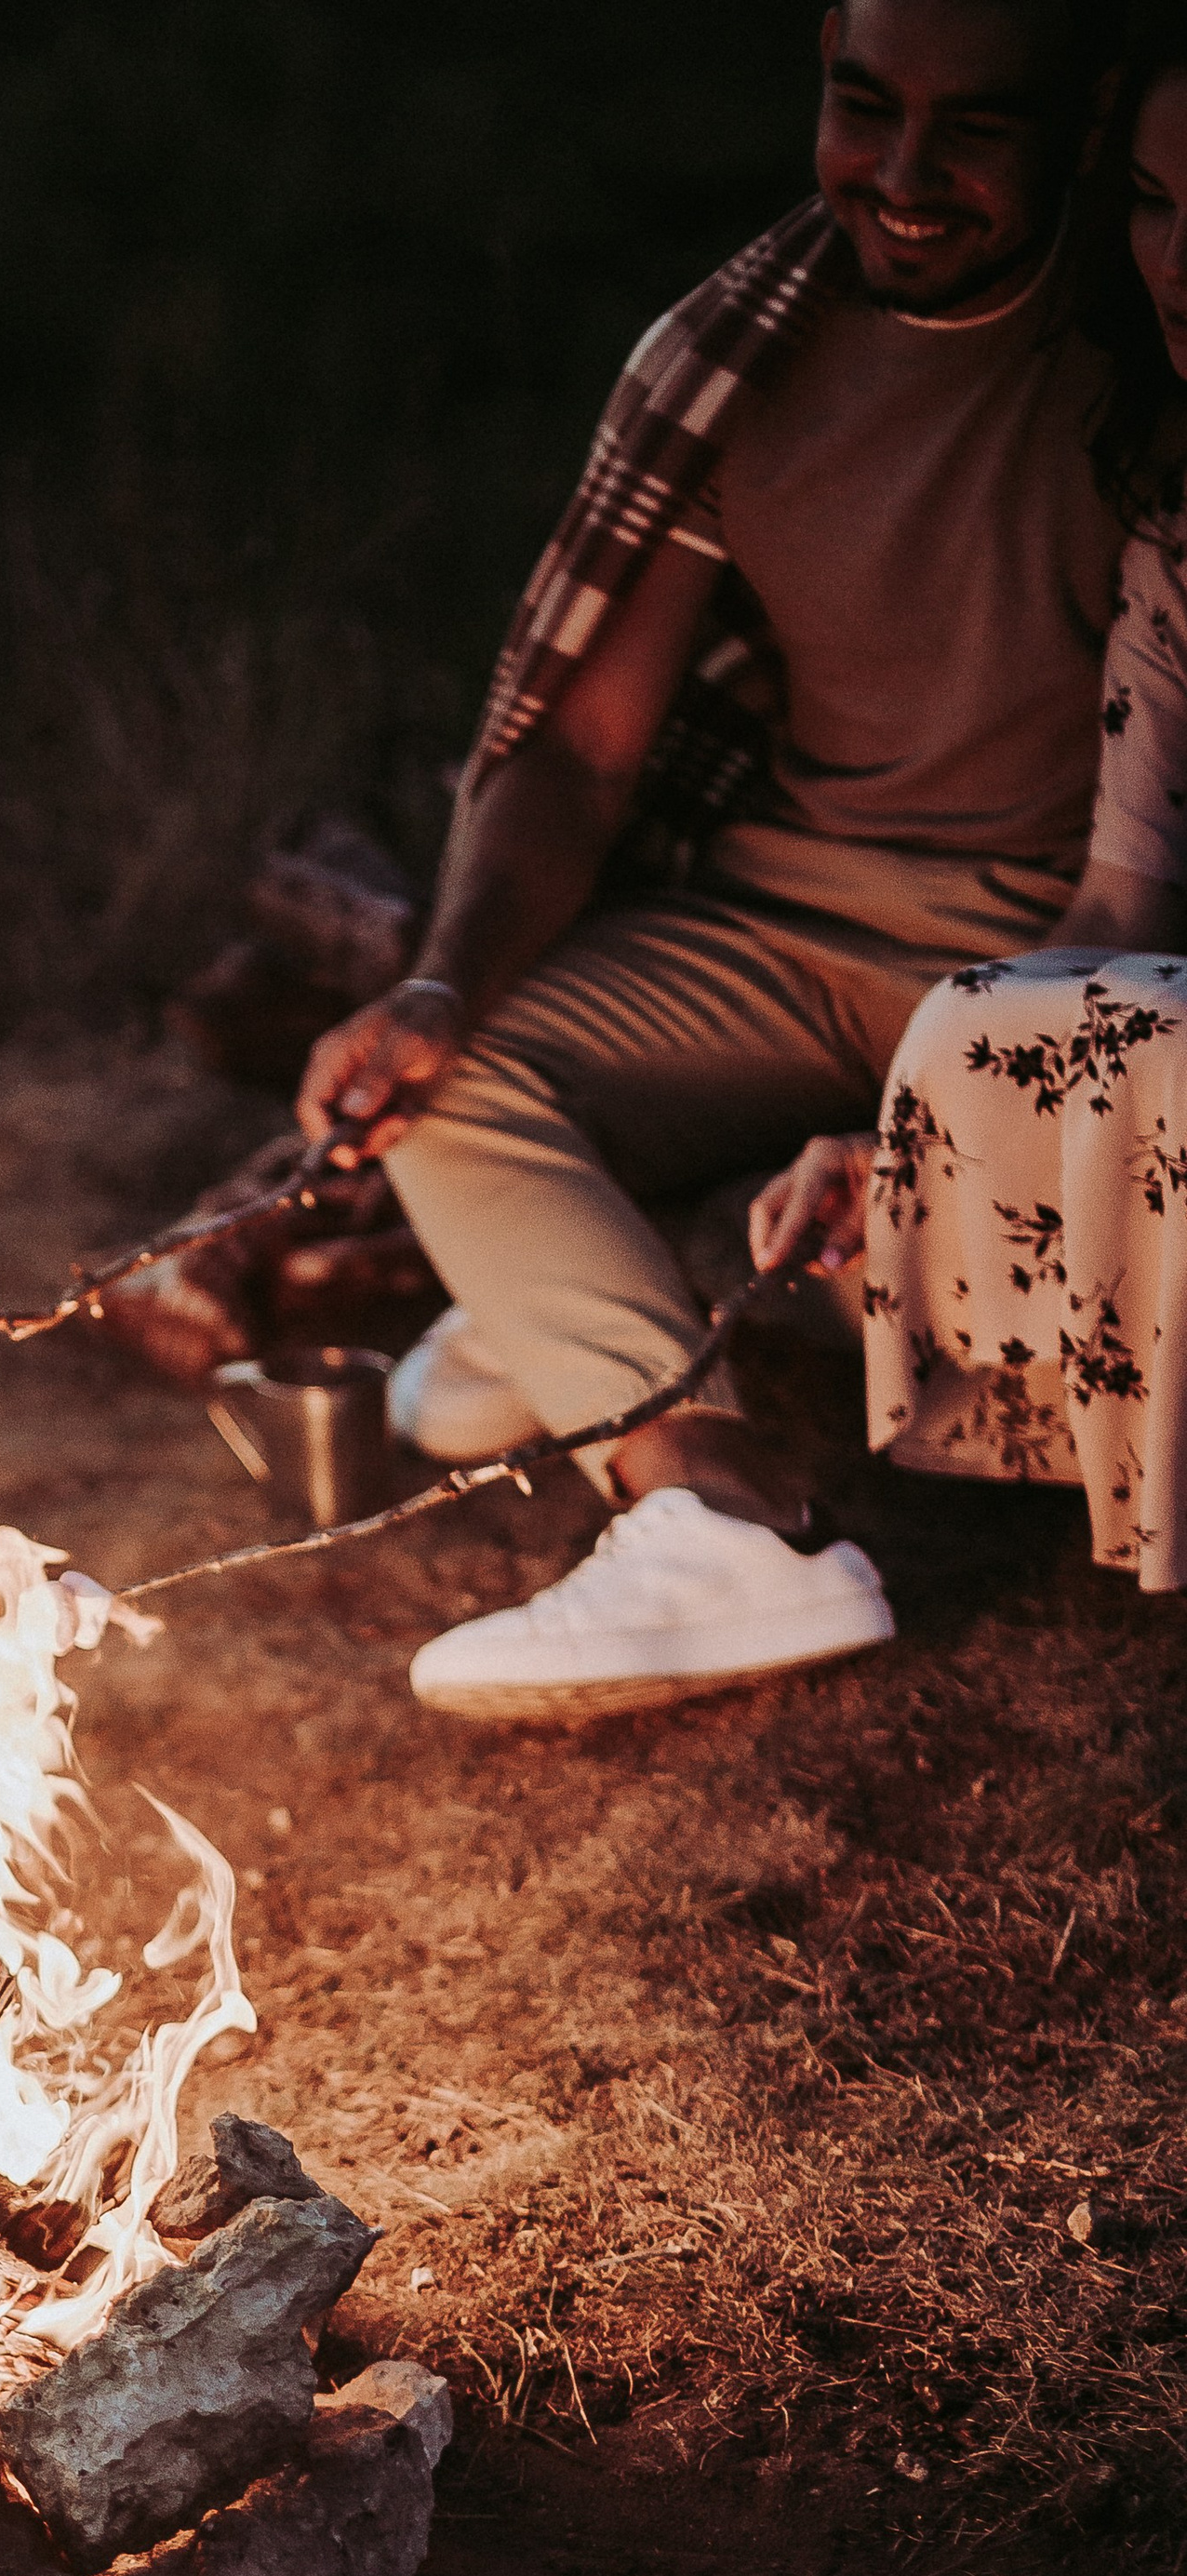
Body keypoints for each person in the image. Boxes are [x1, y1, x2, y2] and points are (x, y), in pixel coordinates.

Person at [117, 0, 1129, 1718]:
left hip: (1061, 971)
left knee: (1007, 1320)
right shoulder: (739, 361)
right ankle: (711, 1510)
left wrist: (962, 1111)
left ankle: (589, 1307)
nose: (901, 175)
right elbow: (582, 750)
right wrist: (440, 986)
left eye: (976, 127)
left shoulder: (1142, 348)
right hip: (785, 917)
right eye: (863, 105)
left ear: (1089, 119)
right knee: (449, 1082)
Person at [752, 7, 1187, 1590]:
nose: (1182, 262)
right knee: (981, 1033)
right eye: (1154, 204)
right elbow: (1117, 907)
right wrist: (915, 1132)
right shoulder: (1178, 538)